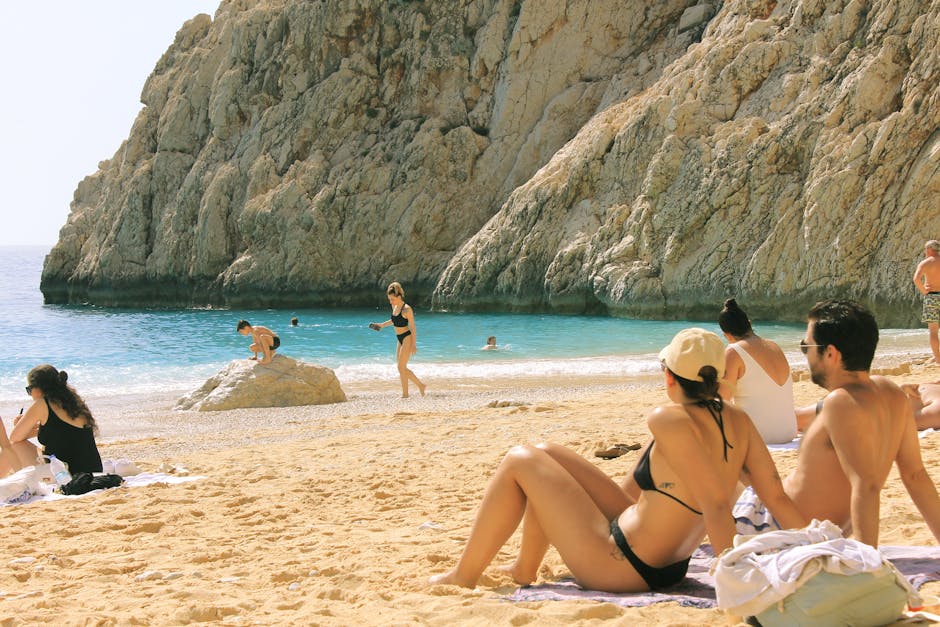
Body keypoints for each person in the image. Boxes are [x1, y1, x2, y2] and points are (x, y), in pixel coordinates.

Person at [429, 328, 806, 591]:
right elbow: (775, 497)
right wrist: (810, 546)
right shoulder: (737, 419)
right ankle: (524, 569)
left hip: (625, 566)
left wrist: (732, 583)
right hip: (666, 562)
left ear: (670, 377)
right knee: (544, 454)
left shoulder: (668, 418)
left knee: (518, 460)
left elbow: (715, 503)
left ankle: (463, 575)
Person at [734, 300, 940, 547]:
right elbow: (916, 475)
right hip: (810, 528)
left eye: (806, 346)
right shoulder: (891, 393)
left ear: (830, 353)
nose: (805, 353)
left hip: (777, 527)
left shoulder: (840, 403)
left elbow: (865, 486)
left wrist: (865, 563)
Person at [717, 298, 797, 444]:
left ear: (726, 335)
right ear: (749, 324)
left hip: (758, 435)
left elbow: (721, 401)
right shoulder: (775, 346)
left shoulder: (734, 351)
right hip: (789, 431)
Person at [0, 364, 102, 476]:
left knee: (15, 446)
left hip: (66, 475)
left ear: (38, 388)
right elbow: (61, 431)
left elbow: (14, 437)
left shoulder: (42, 404)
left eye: (29, 390)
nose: (30, 395)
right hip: (93, 469)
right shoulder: (74, 402)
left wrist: (20, 426)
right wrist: (31, 429)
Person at [370, 282, 426, 398]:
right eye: (389, 299)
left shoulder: (407, 309)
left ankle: (410, 392)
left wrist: (414, 344)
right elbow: (394, 321)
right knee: (402, 368)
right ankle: (417, 387)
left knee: (401, 367)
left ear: (399, 297)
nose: (390, 302)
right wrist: (382, 325)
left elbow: (413, 327)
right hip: (399, 339)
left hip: (407, 338)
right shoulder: (394, 306)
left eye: (392, 299)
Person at [913, 240, 940, 365]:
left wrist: (924, 291)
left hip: (932, 297)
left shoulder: (925, 263)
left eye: (925, 249)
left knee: (933, 331)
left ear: (929, 249)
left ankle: (938, 360)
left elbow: (916, 279)